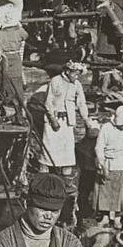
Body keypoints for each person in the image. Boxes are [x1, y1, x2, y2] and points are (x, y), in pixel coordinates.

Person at [40, 59, 92, 211]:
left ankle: (65, 184)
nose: (76, 76)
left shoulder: (77, 85)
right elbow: (48, 102)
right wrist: (52, 119)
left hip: (67, 123)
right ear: (68, 71)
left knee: (67, 155)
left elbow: (81, 103)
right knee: (48, 153)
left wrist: (86, 119)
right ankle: (43, 182)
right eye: (75, 73)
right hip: (53, 122)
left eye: (78, 73)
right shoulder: (55, 81)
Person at [93, 105, 123, 222]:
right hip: (107, 162)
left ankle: (117, 216)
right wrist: (102, 164)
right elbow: (99, 147)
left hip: (121, 163)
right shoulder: (106, 128)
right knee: (105, 190)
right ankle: (105, 215)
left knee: (120, 191)